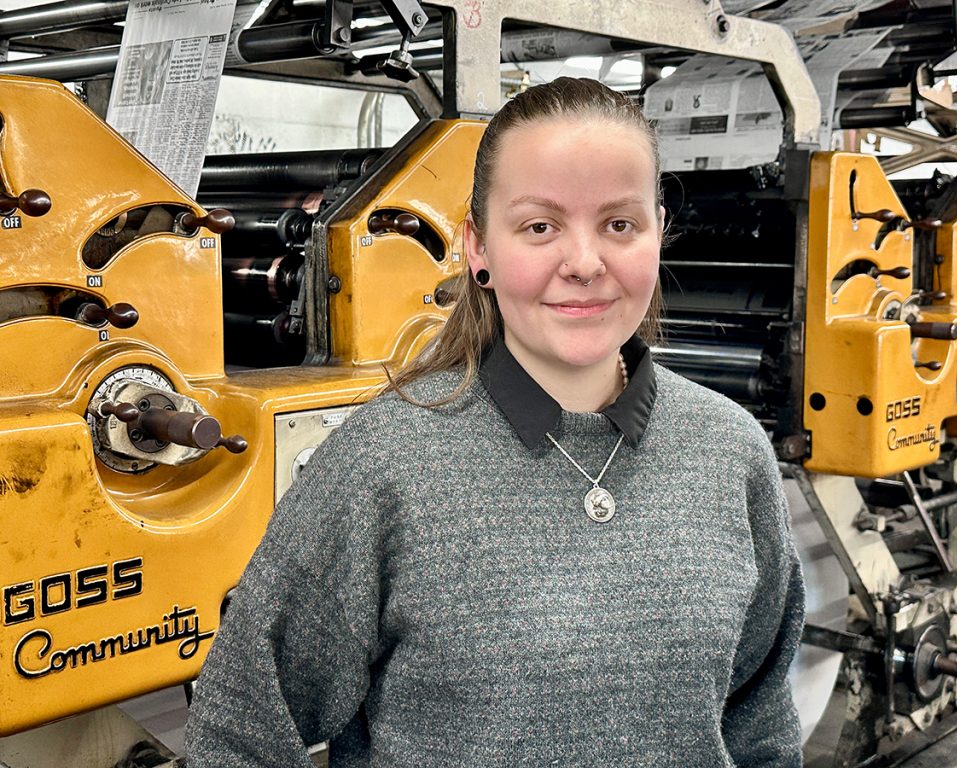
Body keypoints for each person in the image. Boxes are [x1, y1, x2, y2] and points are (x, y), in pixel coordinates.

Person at [185, 76, 804, 767]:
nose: (584, 263)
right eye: (540, 226)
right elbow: (238, 735)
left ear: (659, 233)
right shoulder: (385, 469)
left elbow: (762, 725)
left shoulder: (730, 452)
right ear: (478, 248)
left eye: (619, 224)